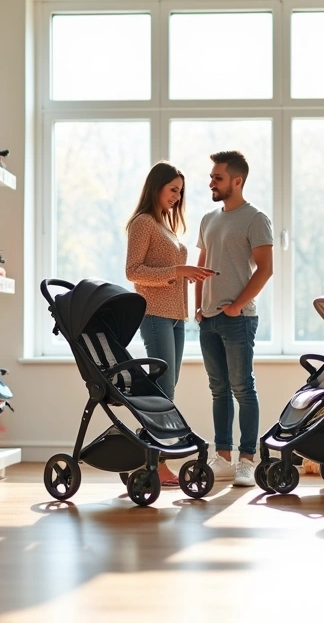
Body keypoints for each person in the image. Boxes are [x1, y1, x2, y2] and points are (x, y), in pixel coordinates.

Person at [125, 161, 215, 486]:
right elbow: (133, 271)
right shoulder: (143, 223)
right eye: (173, 190)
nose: (177, 197)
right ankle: (157, 461)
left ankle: (142, 447)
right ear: (156, 187)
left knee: (168, 387)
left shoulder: (165, 225)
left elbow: (163, 271)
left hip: (176, 317)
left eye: (180, 191)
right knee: (163, 389)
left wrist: (186, 275)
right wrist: (177, 273)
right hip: (154, 315)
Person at [195, 150, 274, 487]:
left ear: (237, 181)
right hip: (208, 319)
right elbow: (200, 265)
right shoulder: (208, 219)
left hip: (237, 318)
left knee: (243, 388)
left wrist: (235, 306)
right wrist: (197, 309)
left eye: (218, 177)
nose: (211, 182)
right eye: (212, 176)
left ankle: (246, 460)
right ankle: (223, 457)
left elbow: (266, 269)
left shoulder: (255, 218)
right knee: (218, 390)